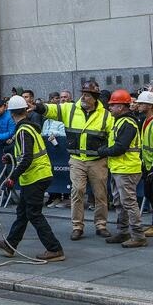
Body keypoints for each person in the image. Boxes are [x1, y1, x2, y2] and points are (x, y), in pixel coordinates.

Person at [34, 80, 113, 240]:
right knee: (77, 191)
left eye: (87, 95)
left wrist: (106, 153)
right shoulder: (69, 109)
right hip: (77, 160)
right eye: (83, 93)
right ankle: (77, 226)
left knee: (100, 194)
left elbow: (111, 137)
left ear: (95, 97)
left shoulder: (106, 115)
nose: (83, 97)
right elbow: (51, 109)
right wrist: (38, 106)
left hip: (97, 161)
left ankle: (101, 225)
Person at [0, 95, 65, 261]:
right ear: (25, 111)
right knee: (23, 212)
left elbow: (26, 157)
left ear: (11, 113)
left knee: (33, 214)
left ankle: (54, 249)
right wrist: (10, 155)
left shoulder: (23, 130)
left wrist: (12, 177)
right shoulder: (30, 127)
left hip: (36, 176)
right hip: (38, 175)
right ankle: (10, 244)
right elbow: (25, 152)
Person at [95, 90, 146, 247]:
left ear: (122, 107)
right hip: (120, 168)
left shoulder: (127, 123)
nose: (109, 108)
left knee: (128, 203)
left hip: (127, 169)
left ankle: (138, 236)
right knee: (120, 202)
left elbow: (120, 148)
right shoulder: (120, 121)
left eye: (113, 105)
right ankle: (123, 232)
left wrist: (102, 151)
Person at [41, 96, 68, 208]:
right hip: (49, 152)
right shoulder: (46, 121)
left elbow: (64, 134)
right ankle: (53, 196)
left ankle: (64, 198)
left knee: (62, 174)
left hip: (60, 152)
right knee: (51, 174)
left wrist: (55, 134)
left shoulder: (61, 120)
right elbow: (43, 133)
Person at [137, 90, 153, 237]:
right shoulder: (145, 121)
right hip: (148, 166)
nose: (139, 105)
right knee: (149, 194)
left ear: (150, 105)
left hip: (152, 167)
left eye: (142, 103)